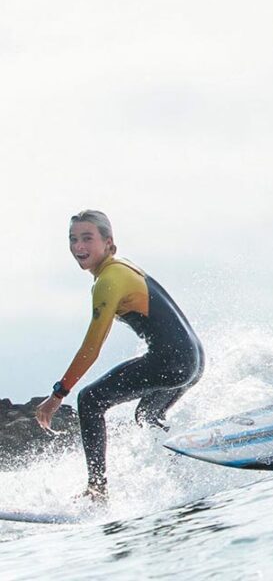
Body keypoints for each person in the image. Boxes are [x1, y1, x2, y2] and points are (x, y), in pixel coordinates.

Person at [36, 210, 204, 502]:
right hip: (193, 358)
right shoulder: (121, 267)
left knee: (89, 400)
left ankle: (97, 490)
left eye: (87, 238)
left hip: (172, 362)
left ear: (108, 242)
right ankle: (190, 459)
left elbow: (92, 346)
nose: (78, 247)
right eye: (73, 239)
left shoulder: (108, 280)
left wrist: (58, 394)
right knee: (146, 416)